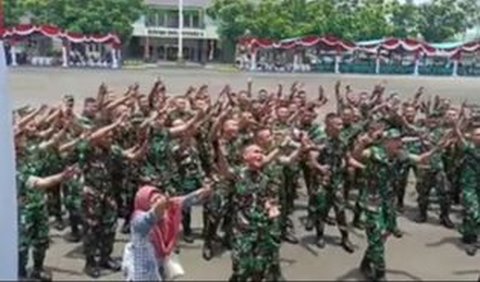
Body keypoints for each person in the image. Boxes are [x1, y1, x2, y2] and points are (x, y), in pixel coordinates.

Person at [122, 183, 212, 281]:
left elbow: (185, 200)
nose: (158, 201)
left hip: (161, 262)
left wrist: (203, 192)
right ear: (145, 203)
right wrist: (156, 209)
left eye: (159, 197)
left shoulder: (166, 208)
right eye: (153, 200)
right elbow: (148, 218)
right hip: (143, 266)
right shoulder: (138, 219)